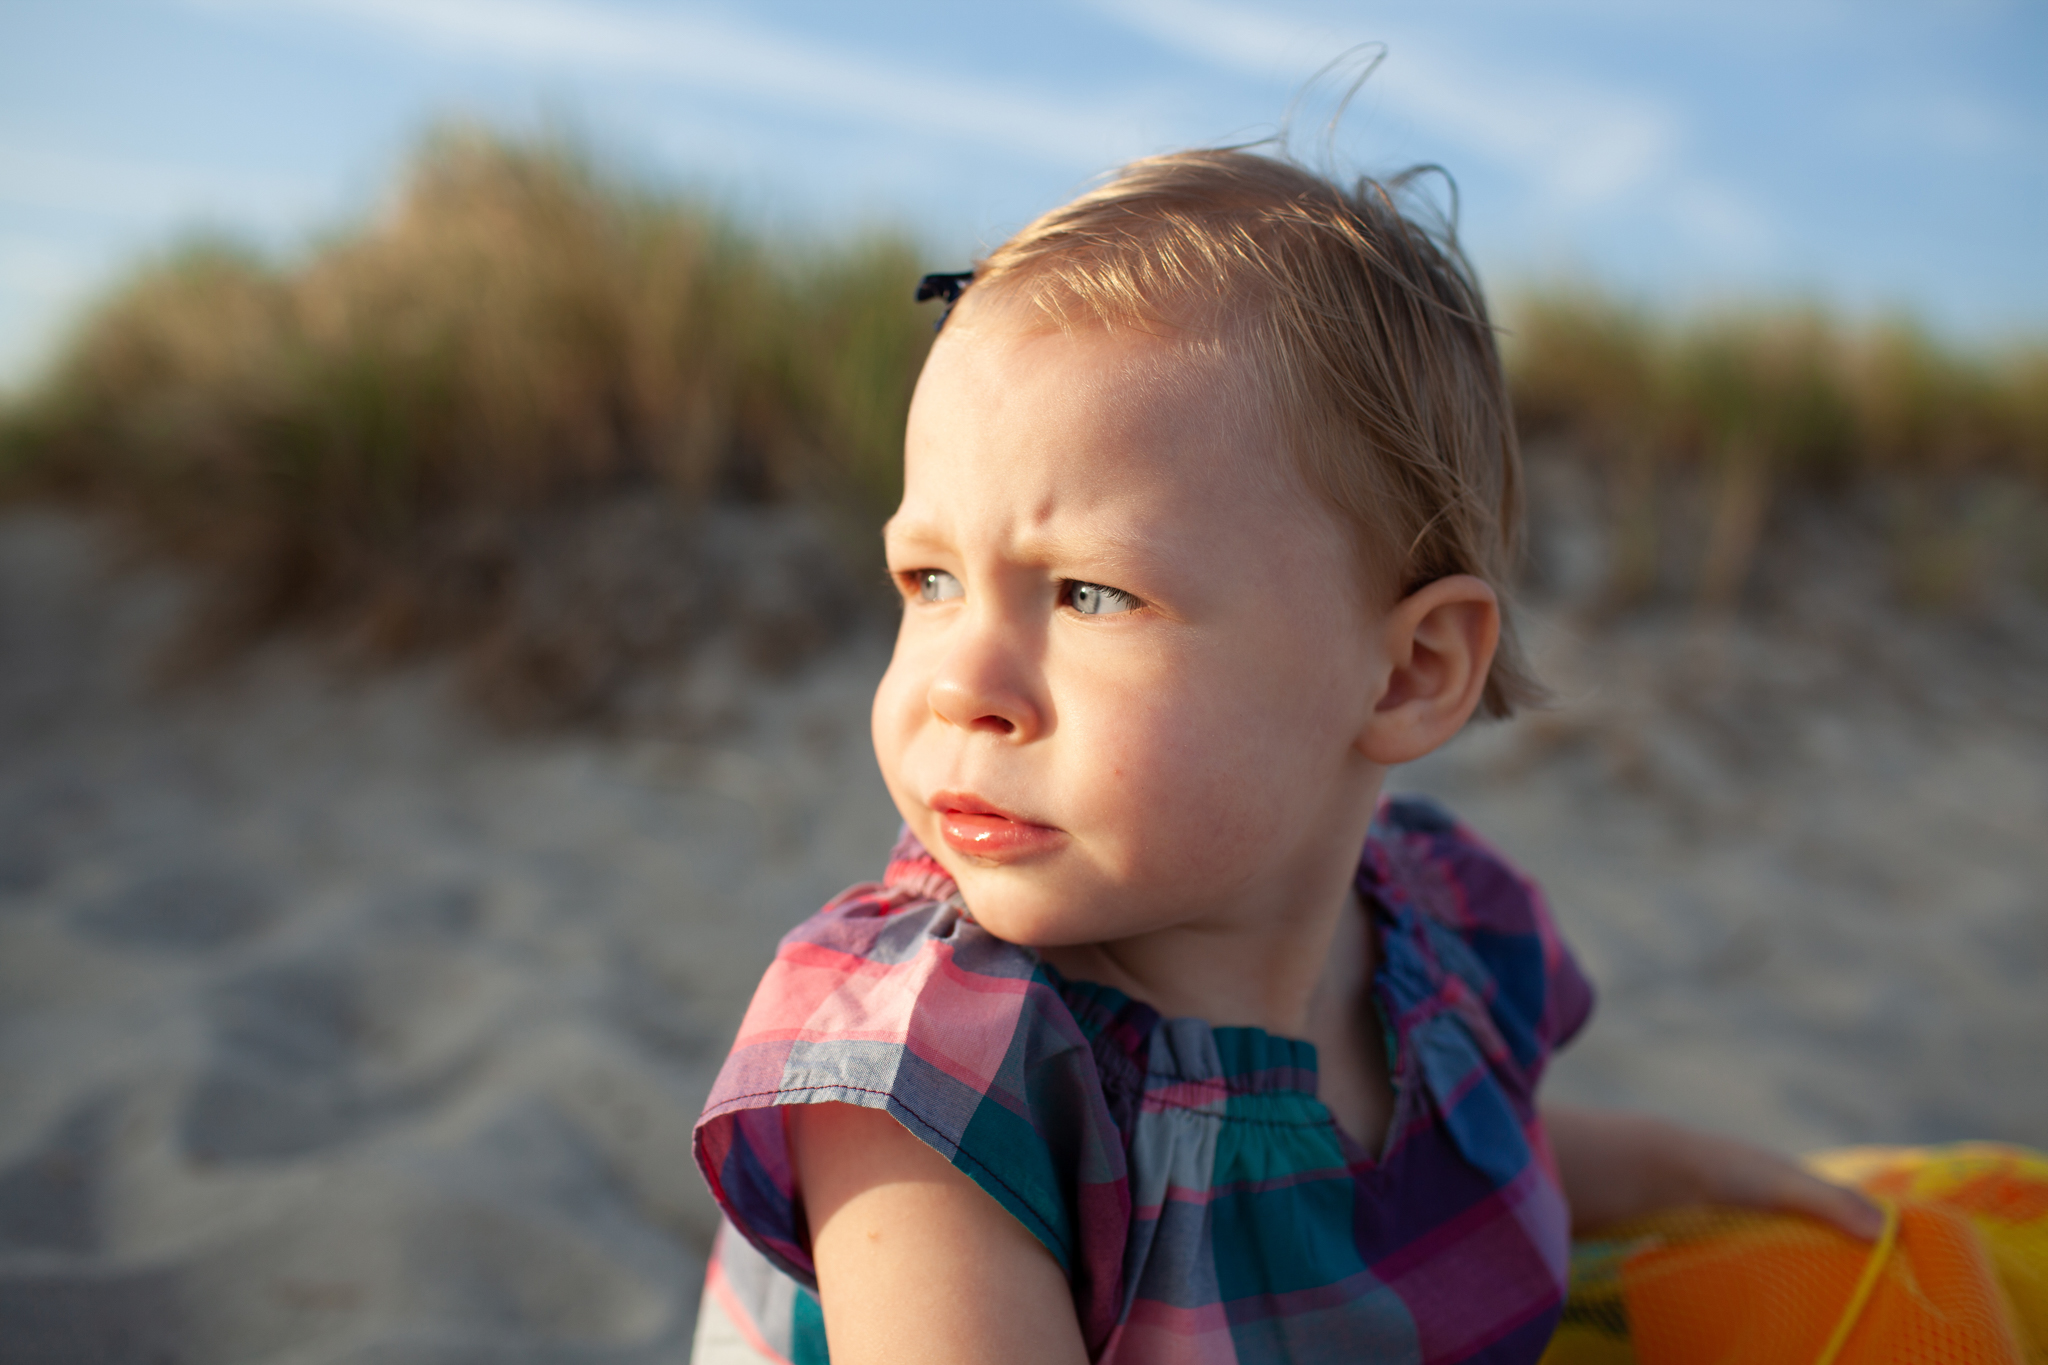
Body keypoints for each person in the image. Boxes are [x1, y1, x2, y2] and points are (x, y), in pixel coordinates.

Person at [689, 147, 1880, 1365]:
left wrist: (1696, 1173)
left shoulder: (1434, 936)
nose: (958, 685)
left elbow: (1412, 1171)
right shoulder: (927, 1085)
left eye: (1090, 595)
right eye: (928, 579)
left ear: (1410, 672)